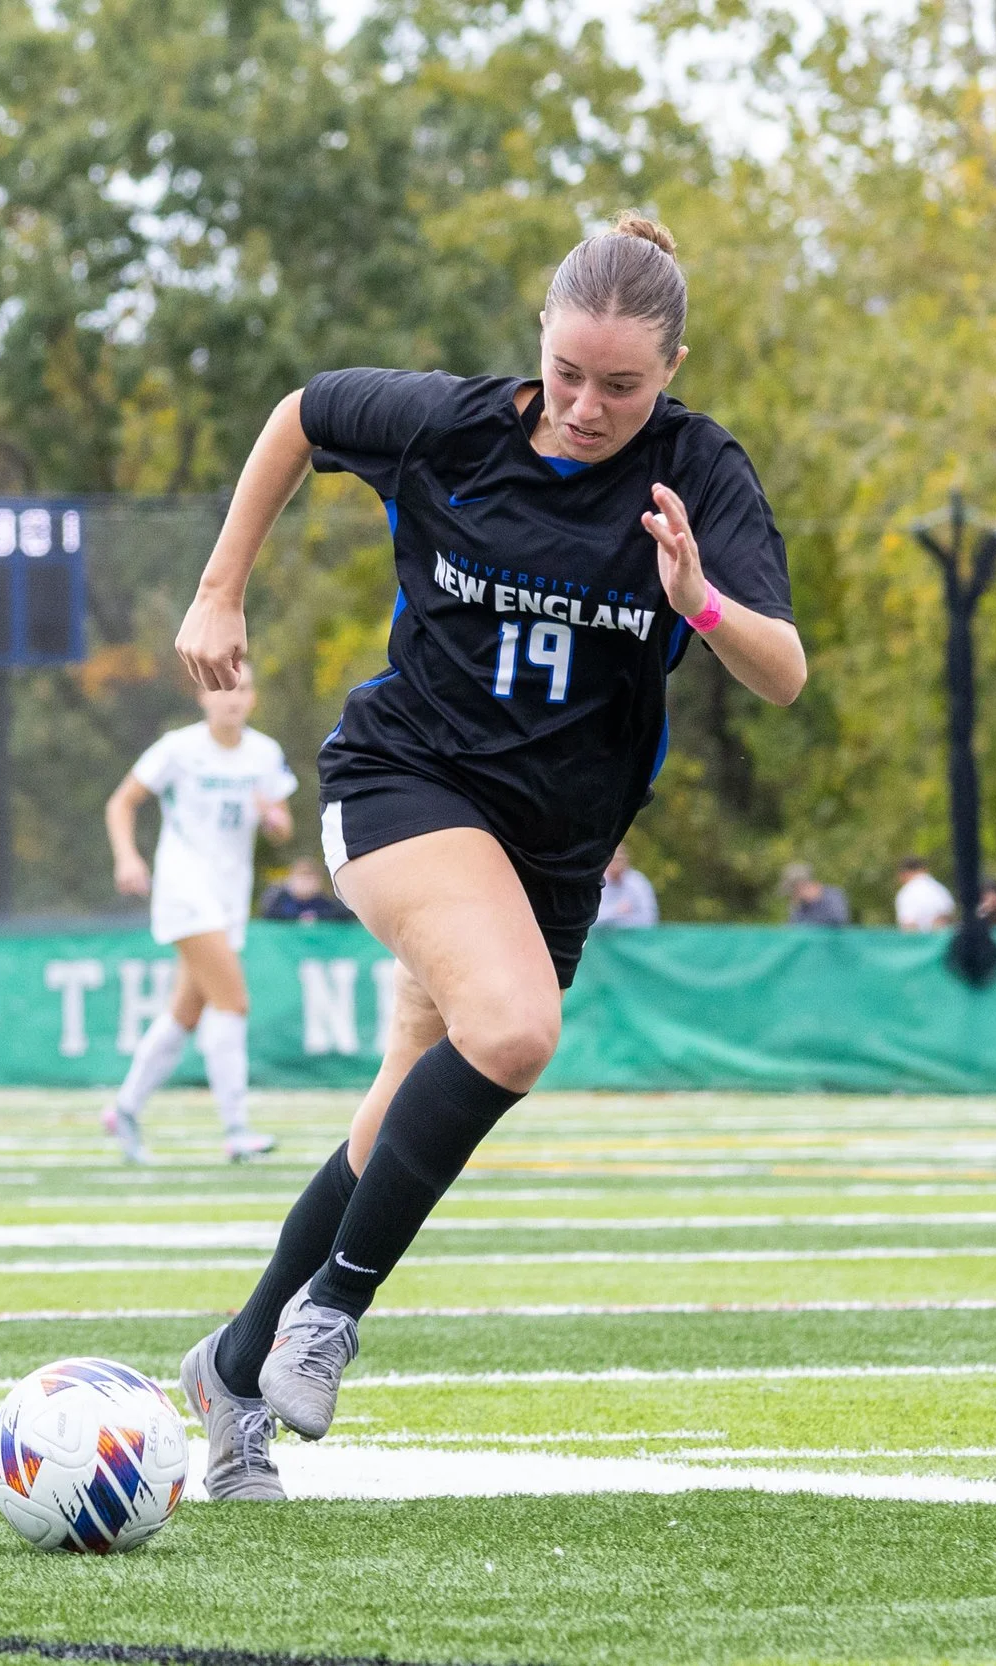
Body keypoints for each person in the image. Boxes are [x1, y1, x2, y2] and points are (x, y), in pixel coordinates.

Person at [168, 212, 804, 1501]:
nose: (584, 405)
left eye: (620, 385)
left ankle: (232, 1365)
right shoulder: (451, 426)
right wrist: (220, 584)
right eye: (567, 372)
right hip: (406, 780)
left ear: (671, 370)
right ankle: (329, 1314)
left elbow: (781, 672)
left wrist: (700, 604)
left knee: (397, 1113)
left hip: (556, 853)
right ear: (539, 344)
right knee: (513, 1031)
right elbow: (298, 412)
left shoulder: (698, 472)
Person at [99, 664, 297, 1165]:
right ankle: (237, 1130)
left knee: (185, 1013)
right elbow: (121, 803)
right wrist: (127, 857)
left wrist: (273, 816)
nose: (232, 697)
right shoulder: (179, 749)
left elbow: (282, 826)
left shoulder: (264, 753)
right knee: (233, 1001)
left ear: (252, 700)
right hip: (185, 891)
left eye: (243, 688)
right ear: (203, 698)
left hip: (229, 897)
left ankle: (124, 1108)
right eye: (222, 688)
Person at [259, 856, 353, 923]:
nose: (305, 883)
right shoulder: (280, 902)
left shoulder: (327, 904)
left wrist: (317, 918)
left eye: (310, 877)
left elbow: (346, 917)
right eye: (301, 877)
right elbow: (267, 919)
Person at [594, 842, 659, 928]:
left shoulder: (639, 883)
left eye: (621, 859)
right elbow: (591, 918)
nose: (617, 863)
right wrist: (615, 912)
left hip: (633, 938)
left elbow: (650, 917)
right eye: (615, 859)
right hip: (601, 938)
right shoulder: (597, 882)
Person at [895, 857, 956, 931]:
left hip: (919, 941)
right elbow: (946, 917)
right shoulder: (940, 889)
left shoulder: (906, 892)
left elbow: (909, 925)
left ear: (904, 874)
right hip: (943, 939)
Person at [781, 860, 850, 925]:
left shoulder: (833, 894)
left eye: (794, 889)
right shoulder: (802, 906)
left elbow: (839, 919)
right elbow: (793, 927)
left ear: (801, 885)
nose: (793, 894)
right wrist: (795, 907)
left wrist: (814, 900)